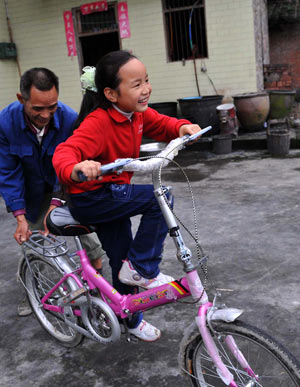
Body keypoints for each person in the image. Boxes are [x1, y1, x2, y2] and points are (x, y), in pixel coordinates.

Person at [52, 50, 202, 342]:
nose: (145, 88)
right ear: (110, 93)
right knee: (159, 197)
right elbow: (64, 152)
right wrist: (77, 166)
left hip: (112, 196)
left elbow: (161, 122)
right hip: (93, 199)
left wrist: (181, 126)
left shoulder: (136, 114)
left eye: (146, 80)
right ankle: (144, 268)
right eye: (136, 84)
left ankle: (130, 317)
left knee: (122, 263)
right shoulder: (98, 122)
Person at [0, 67, 105, 316]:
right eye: (37, 109)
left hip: (65, 188)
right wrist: (20, 216)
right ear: (21, 98)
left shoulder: (68, 119)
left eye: (52, 107)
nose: (46, 114)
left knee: (88, 237)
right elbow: (8, 172)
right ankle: (34, 291)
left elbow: (68, 165)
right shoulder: (5, 123)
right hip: (31, 193)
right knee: (34, 244)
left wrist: (56, 205)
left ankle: (96, 285)